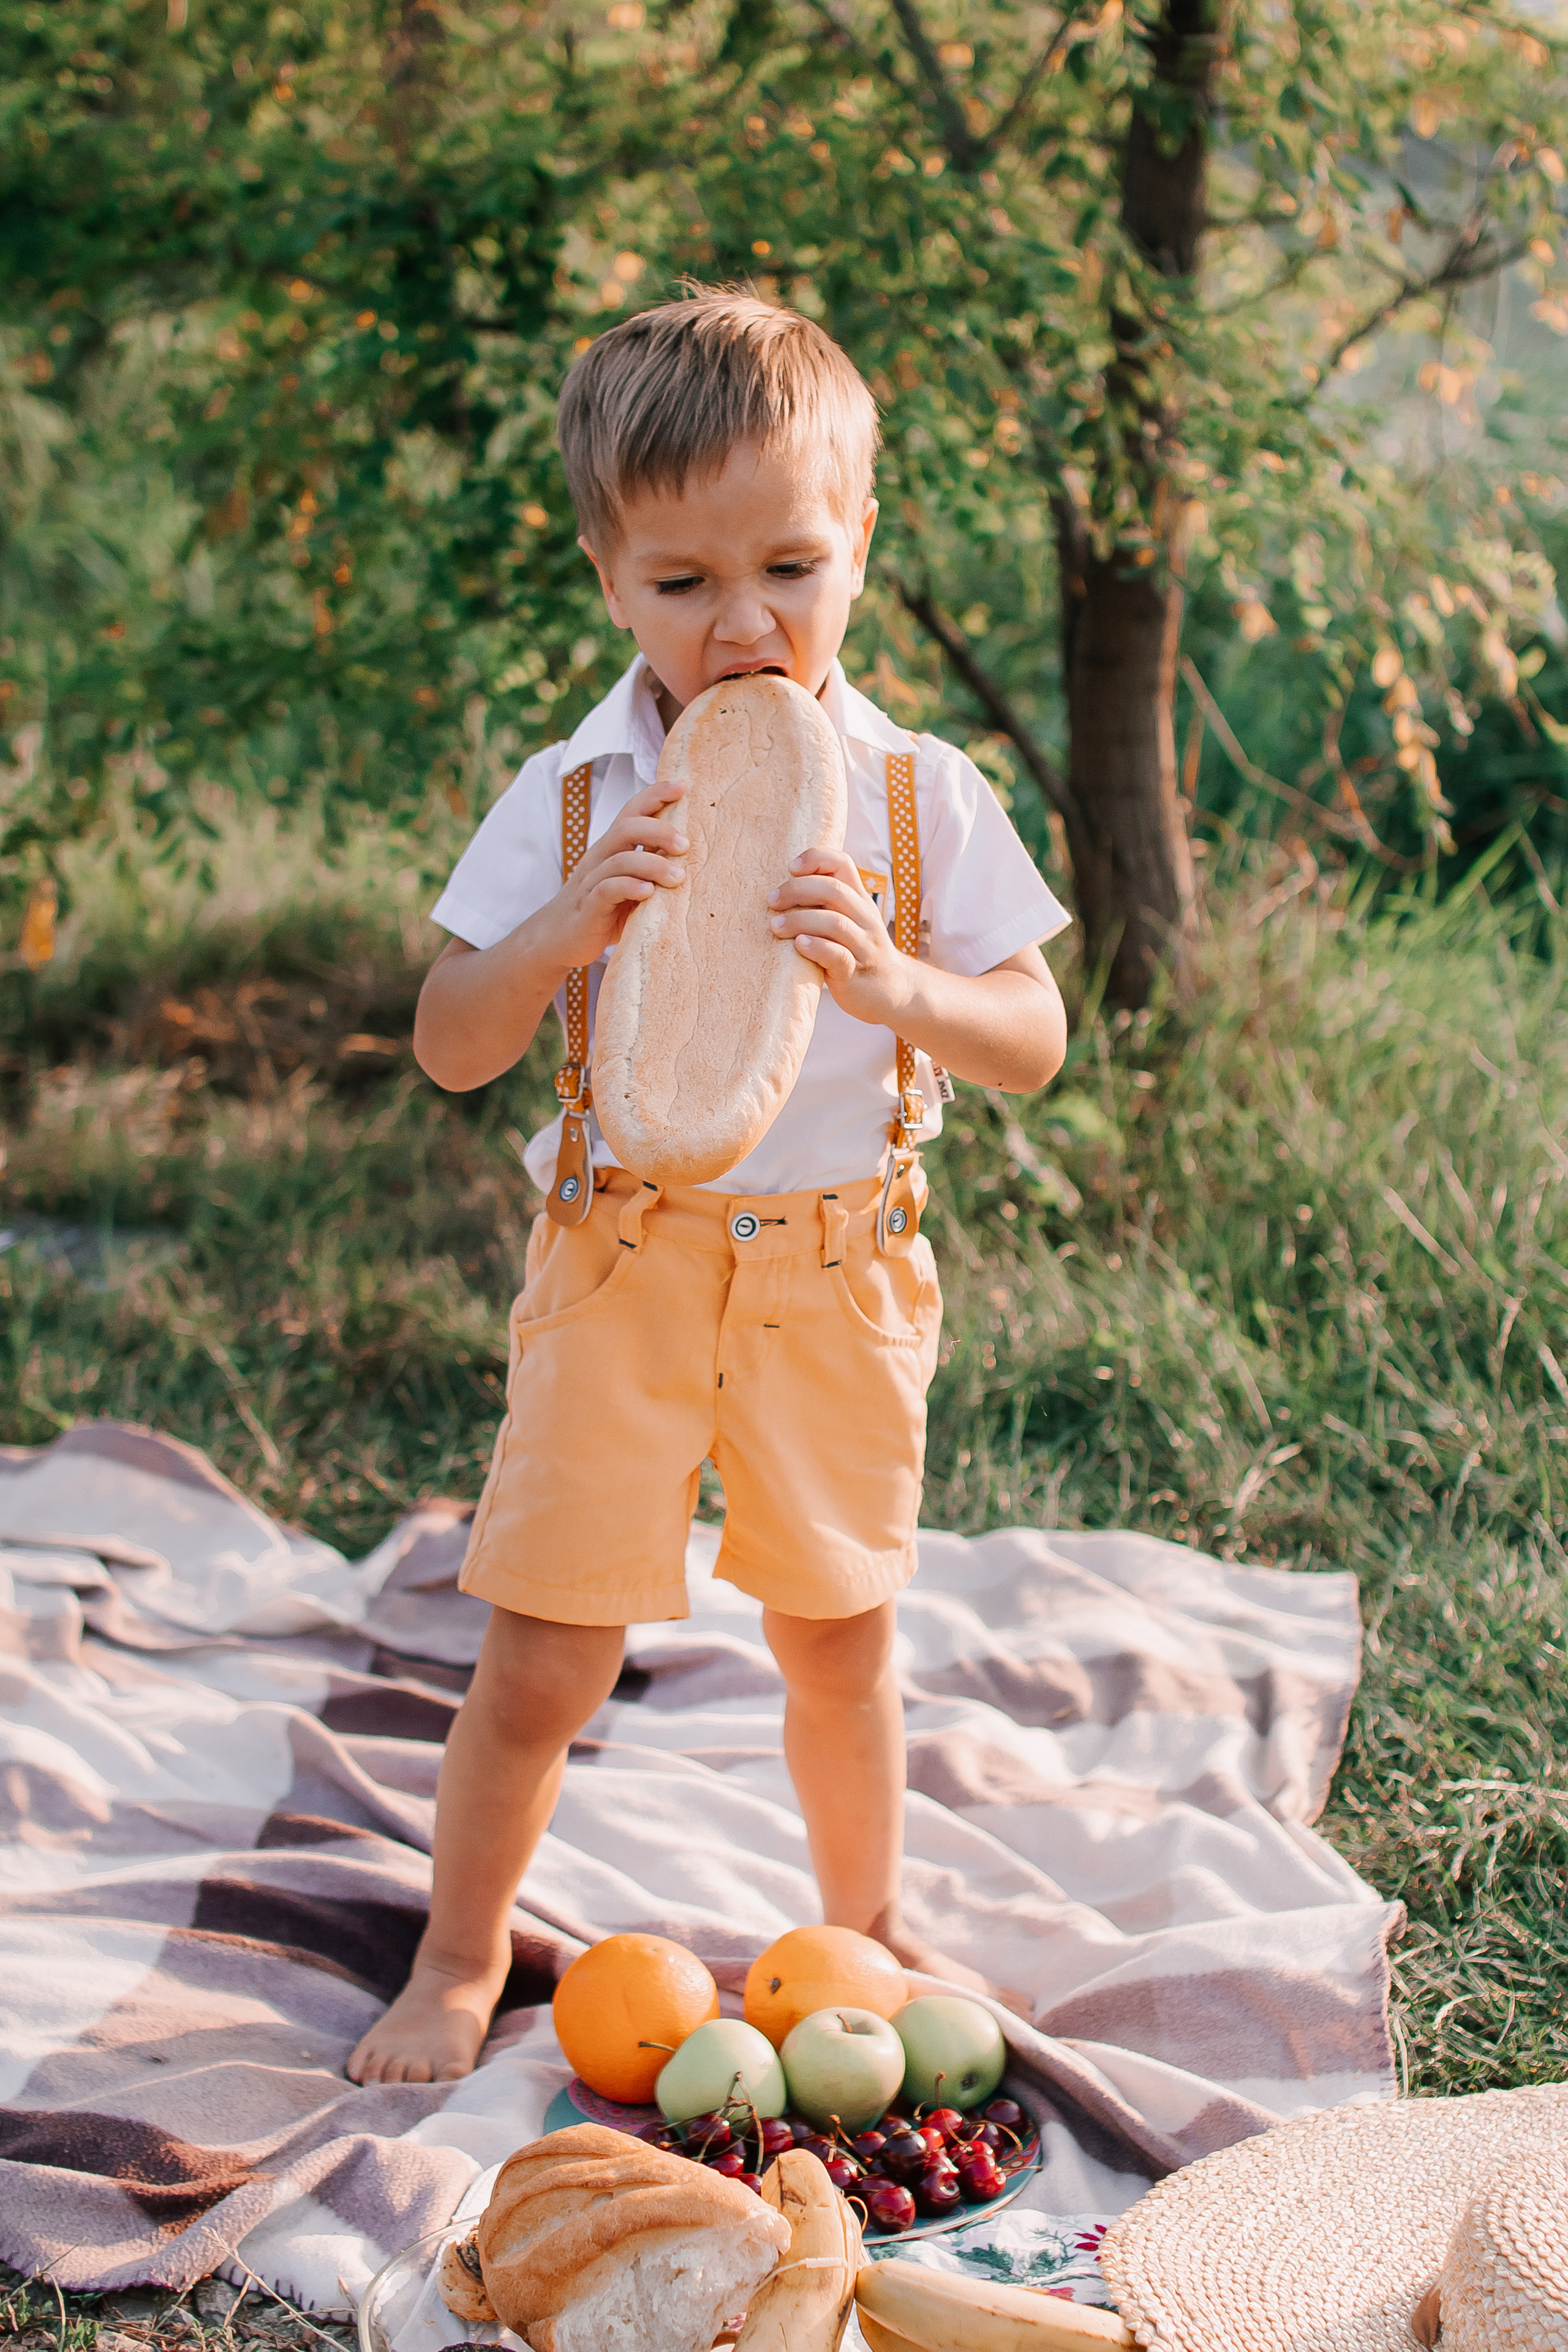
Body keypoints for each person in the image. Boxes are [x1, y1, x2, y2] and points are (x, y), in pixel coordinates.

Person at [349, 290, 1069, 2086]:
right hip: (626, 1261)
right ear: (611, 578)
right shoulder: (584, 789)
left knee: (839, 1642)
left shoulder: (918, 794)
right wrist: (562, 932)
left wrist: (899, 985)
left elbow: (1032, 1035)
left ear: (861, 548)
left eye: (791, 567)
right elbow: (449, 1039)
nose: (744, 623)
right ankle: (457, 1954)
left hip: (838, 1271)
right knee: (544, 1657)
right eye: (682, 585)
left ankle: (867, 1927)